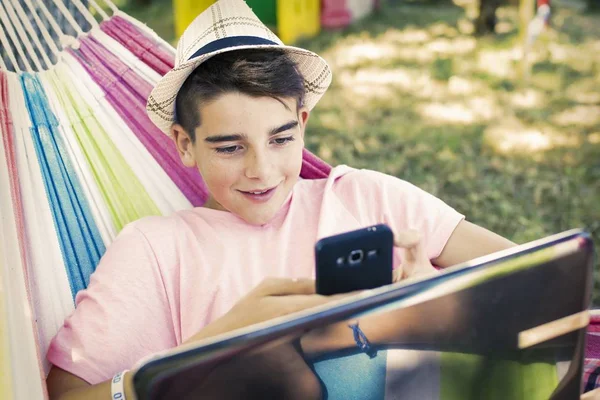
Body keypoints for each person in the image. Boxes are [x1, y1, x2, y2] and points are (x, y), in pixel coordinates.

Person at [45, 0, 515, 399]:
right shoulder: (157, 249)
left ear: (303, 124)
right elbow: (66, 393)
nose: (261, 170)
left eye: (280, 138)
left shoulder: (368, 197)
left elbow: (537, 276)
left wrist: (437, 303)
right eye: (230, 147)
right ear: (184, 143)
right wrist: (204, 353)